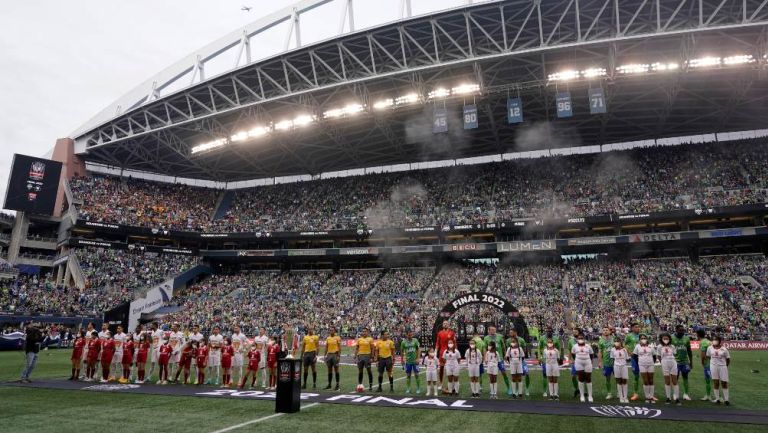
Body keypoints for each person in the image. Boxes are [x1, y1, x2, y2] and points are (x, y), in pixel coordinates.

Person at [483, 326, 510, 395]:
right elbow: (485, 348)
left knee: (504, 373)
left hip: (499, 358)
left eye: (494, 329)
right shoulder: (486, 338)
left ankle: (509, 388)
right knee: (491, 375)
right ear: (488, 330)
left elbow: (503, 346)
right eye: (492, 330)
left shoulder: (500, 336)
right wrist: (485, 358)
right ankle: (492, 390)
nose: (493, 331)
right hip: (491, 360)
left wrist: (505, 355)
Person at [707, 335, 731, 405]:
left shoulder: (724, 349)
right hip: (713, 366)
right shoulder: (710, 348)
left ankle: (726, 400)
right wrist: (712, 363)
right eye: (713, 339)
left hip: (722, 367)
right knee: (716, 382)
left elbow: (728, 359)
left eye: (715, 340)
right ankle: (717, 399)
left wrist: (725, 366)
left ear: (719, 341)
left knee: (724, 383)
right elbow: (708, 356)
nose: (714, 341)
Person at [671, 325, 693, 401]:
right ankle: (675, 394)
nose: (682, 332)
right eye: (680, 330)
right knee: (675, 378)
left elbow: (689, 351)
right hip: (675, 361)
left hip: (685, 361)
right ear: (676, 330)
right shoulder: (671, 338)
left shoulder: (686, 338)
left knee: (685, 377)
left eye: (683, 330)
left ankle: (686, 394)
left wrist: (691, 362)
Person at [657, 333, 680, 405]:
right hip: (664, 363)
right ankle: (668, 398)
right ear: (661, 339)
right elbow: (659, 356)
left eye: (667, 338)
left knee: (674, 381)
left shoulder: (672, 346)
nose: (666, 340)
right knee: (667, 381)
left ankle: (677, 398)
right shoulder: (659, 347)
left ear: (669, 339)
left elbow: (675, 354)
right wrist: (663, 363)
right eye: (664, 338)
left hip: (673, 363)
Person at [571, 332, 594, 402]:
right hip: (578, 362)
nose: (580, 339)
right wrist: (577, 360)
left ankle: (590, 396)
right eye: (579, 338)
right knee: (580, 378)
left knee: (588, 378)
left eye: (582, 338)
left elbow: (591, 354)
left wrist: (588, 360)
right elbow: (573, 354)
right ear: (577, 339)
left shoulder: (588, 346)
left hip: (587, 362)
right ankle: (582, 395)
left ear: (584, 339)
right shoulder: (575, 346)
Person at [633, 333, 656, 403]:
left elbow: (654, 356)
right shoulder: (637, 346)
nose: (643, 340)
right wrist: (639, 362)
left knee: (651, 380)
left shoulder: (651, 346)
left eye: (644, 338)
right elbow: (634, 356)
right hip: (642, 365)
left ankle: (651, 397)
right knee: (645, 381)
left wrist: (652, 362)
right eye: (642, 338)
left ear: (647, 339)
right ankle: (647, 397)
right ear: (639, 340)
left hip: (650, 365)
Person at [435, 320, 456, 394]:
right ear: (442, 325)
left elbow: (454, 343)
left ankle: (451, 384)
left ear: (449, 325)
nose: (445, 324)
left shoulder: (452, 333)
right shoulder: (439, 333)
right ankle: (440, 383)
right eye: (444, 323)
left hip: (450, 353)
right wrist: (435, 352)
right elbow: (437, 343)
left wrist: (455, 351)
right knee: (441, 368)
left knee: (451, 369)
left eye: (446, 323)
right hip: (441, 353)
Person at [538, 327, 560, 397]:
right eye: (548, 331)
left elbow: (558, 348)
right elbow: (539, 348)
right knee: (545, 375)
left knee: (554, 376)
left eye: (550, 331)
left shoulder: (556, 338)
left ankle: (555, 393)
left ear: (552, 331)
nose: (549, 332)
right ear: (546, 331)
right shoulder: (542, 338)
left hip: (554, 360)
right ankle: (545, 391)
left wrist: (559, 358)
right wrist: (539, 357)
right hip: (545, 360)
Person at [508, 328, 530, 396]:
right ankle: (516, 391)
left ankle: (526, 389)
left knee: (526, 374)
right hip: (513, 361)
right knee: (514, 376)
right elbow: (508, 351)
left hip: (521, 360)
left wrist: (522, 358)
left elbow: (525, 349)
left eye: (511, 332)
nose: (510, 334)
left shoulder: (521, 340)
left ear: (515, 332)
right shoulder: (508, 340)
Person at [624, 323, 642, 401]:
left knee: (647, 375)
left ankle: (649, 394)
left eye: (638, 327)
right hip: (634, 358)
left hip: (643, 357)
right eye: (636, 327)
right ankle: (635, 393)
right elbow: (624, 344)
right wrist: (629, 352)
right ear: (632, 328)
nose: (638, 328)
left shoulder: (642, 335)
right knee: (636, 376)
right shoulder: (629, 336)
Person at [401, 329, 421, 394]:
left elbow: (418, 350)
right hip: (408, 362)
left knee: (416, 375)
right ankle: (408, 388)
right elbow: (401, 351)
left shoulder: (415, 340)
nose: (410, 335)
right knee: (408, 375)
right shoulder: (403, 342)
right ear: (406, 335)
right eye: (409, 334)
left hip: (415, 361)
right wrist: (402, 360)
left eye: (411, 334)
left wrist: (418, 358)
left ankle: (418, 388)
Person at [597, 327, 615, 400]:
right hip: (607, 362)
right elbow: (600, 352)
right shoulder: (601, 341)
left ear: (610, 331)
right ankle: (609, 393)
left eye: (606, 330)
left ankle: (619, 393)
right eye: (603, 330)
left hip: (615, 362)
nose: (605, 331)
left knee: (618, 378)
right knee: (607, 378)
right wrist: (600, 362)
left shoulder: (614, 339)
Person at [696, 329, 714, 401]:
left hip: (707, 363)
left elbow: (703, 353)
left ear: (698, 335)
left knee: (708, 380)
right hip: (713, 362)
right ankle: (715, 396)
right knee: (714, 379)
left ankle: (709, 395)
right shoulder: (709, 341)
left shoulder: (702, 342)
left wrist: (702, 361)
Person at [324, 326, 342, 390]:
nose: (331, 331)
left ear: (335, 331)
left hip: (335, 354)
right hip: (329, 355)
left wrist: (338, 356)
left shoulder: (337, 338)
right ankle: (329, 384)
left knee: (336, 370)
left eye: (332, 330)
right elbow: (326, 347)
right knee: (329, 370)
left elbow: (339, 348)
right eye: (330, 330)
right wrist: (325, 355)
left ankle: (337, 385)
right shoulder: (328, 338)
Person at [566, 328, 581, 398]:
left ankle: (582, 391)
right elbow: (569, 351)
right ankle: (577, 389)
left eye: (576, 332)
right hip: (574, 361)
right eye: (573, 332)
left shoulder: (583, 340)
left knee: (582, 376)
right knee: (573, 376)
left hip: (582, 360)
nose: (574, 333)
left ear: (579, 332)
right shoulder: (571, 341)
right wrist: (569, 360)